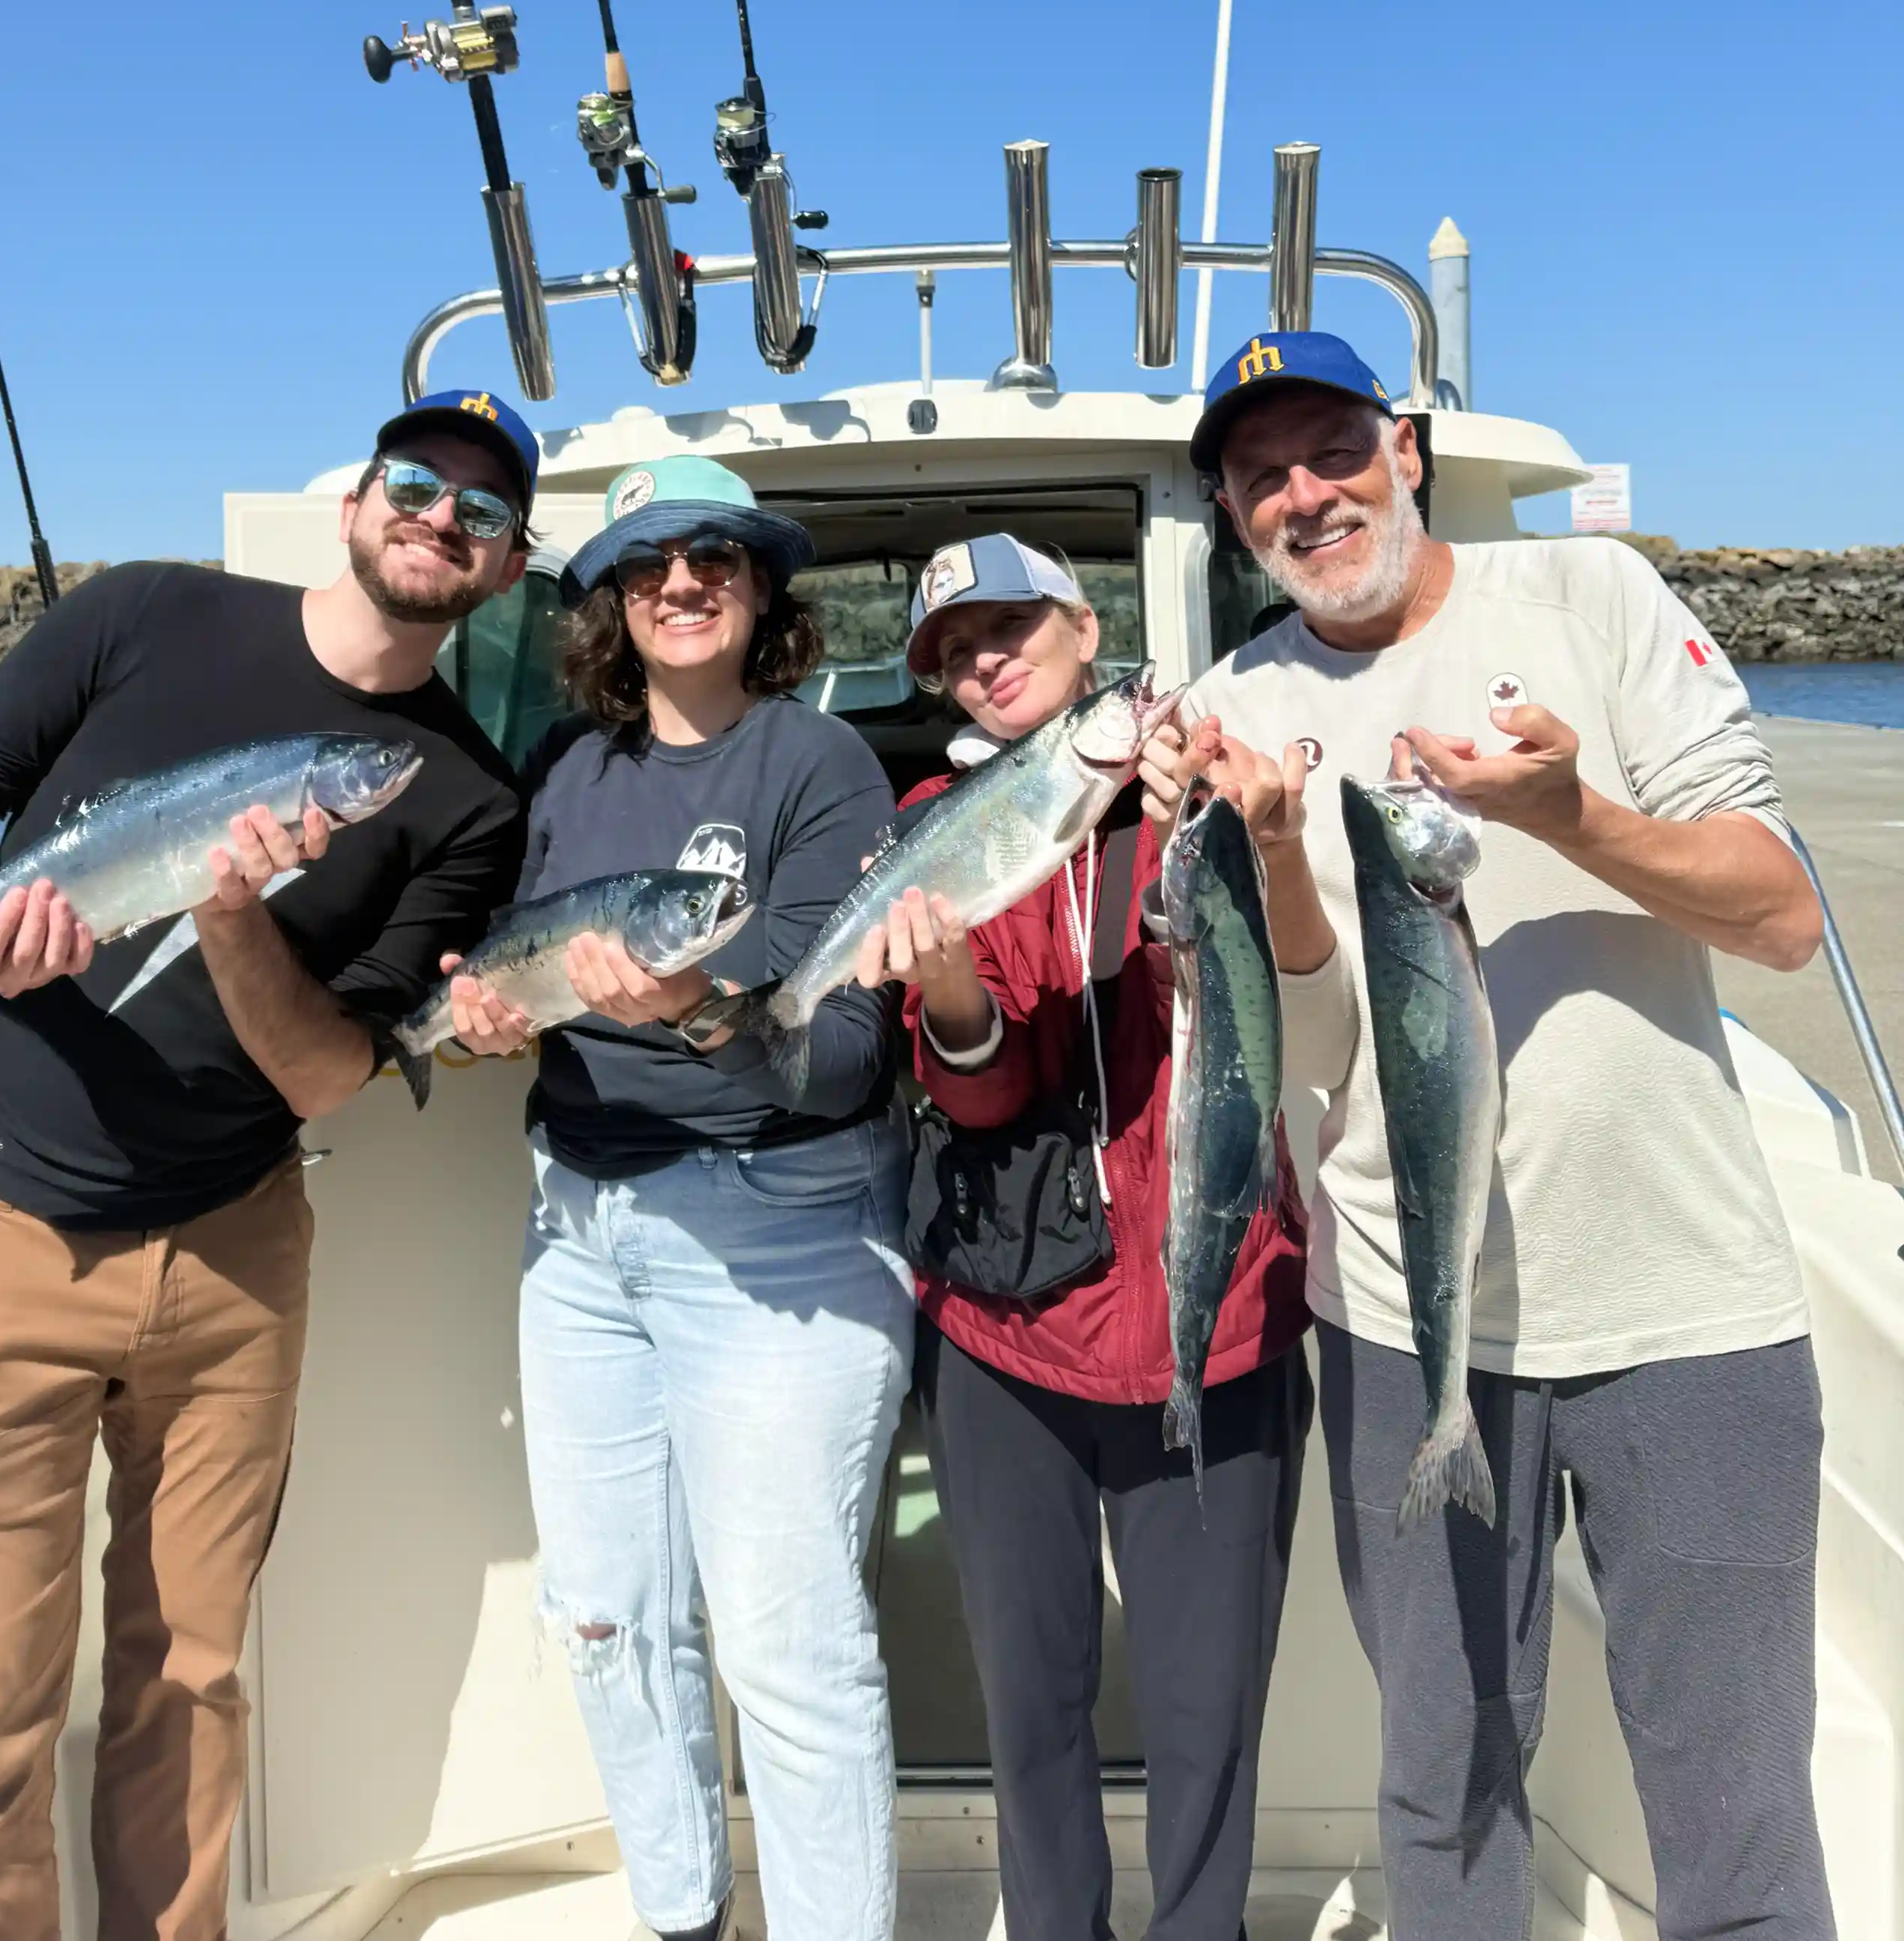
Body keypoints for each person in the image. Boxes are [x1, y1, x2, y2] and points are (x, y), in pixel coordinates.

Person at [1160, 325, 1836, 1941]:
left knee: (1733, 1807)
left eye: (1328, 449)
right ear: (1231, 519)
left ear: (1404, 444)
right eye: (1258, 478)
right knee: (1440, 1786)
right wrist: (1264, 858)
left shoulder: (1590, 604)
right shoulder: (1235, 702)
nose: (1301, 496)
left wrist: (1566, 816)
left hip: (1687, 1306)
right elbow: (1306, 1056)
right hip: (1398, 1318)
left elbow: (1781, 919)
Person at [0, 385, 535, 1941]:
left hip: (233, 1255)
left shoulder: (466, 804)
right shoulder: (149, 613)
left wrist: (225, 911)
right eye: (413, 483)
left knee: (193, 1682)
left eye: (483, 515)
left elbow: (328, 1074)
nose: (440, 519)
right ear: (357, 502)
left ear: (506, 570)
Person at [444, 456, 910, 1941]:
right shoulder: (566, 779)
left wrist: (695, 1011)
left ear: (761, 589)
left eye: (711, 558)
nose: (679, 585)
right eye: (643, 568)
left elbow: (837, 1062)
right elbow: (497, 971)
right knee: (604, 1624)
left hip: (777, 1227)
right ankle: (680, 1918)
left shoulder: (818, 770)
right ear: (608, 609)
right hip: (577, 1234)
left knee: (788, 1645)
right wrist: (479, 1022)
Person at [849, 532, 1317, 1941]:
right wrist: (941, 986)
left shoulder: (1209, 764)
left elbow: (1277, 975)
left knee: (1204, 1706)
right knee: (1030, 1699)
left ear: (1084, 628)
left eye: (1012, 627)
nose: (986, 660)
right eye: (954, 649)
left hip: (1215, 1308)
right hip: (1004, 1325)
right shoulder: (937, 818)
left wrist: (1208, 831)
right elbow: (984, 1083)